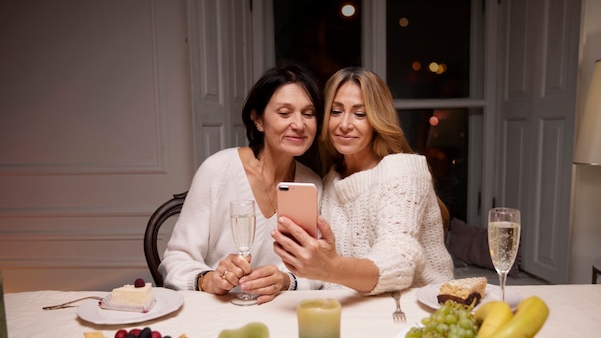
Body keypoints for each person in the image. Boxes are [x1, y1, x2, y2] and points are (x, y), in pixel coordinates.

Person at [272, 67, 453, 295]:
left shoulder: (401, 171)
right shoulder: (330, 180)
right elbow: (317, 268)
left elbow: (399, 259)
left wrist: (332, 268)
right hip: (352, 310)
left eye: (360, 114)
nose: (345, 124)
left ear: (377, 119)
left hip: (415, 309)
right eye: (336, 111)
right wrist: (285, 279)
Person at [159, 65, 324, 304]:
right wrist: (207, 280)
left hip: (280, 314)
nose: (299, 124)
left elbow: (316, 269)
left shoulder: (312, 185)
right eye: (285, 113)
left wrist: (286, 281)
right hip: (216, 312)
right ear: (258, 119)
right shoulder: (217, 170)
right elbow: (175, 261)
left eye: (308, 114)